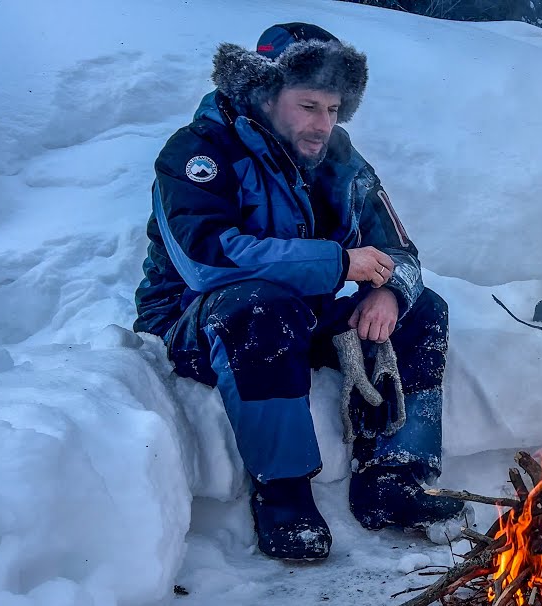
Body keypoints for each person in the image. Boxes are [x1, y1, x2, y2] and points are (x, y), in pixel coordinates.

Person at [133, 22, 464, 560]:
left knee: (423, 311)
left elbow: (399, 250)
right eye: (309, 106)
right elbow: (207, 260)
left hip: (300, 316)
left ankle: (394, 479)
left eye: (334, 109)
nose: (323, 124)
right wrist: (338, 265)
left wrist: (391, 293)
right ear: (264, 94)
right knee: (261, 304)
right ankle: (283, 494)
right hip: (197, 321)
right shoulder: (199, 152)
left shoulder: (342, 161)